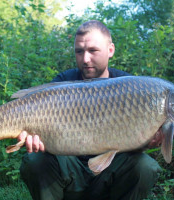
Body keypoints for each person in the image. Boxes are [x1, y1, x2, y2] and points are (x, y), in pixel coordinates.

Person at [18, 20, 161, 200]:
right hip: (70, 167)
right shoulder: (64, 81)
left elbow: (136, 138)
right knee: (35, 161)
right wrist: (34, 137)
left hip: (111, 170)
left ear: (110, 50)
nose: (85, 59)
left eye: (93, 51)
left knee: (145, 167)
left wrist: (147, 141)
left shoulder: (131, 86)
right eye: (79, 51)